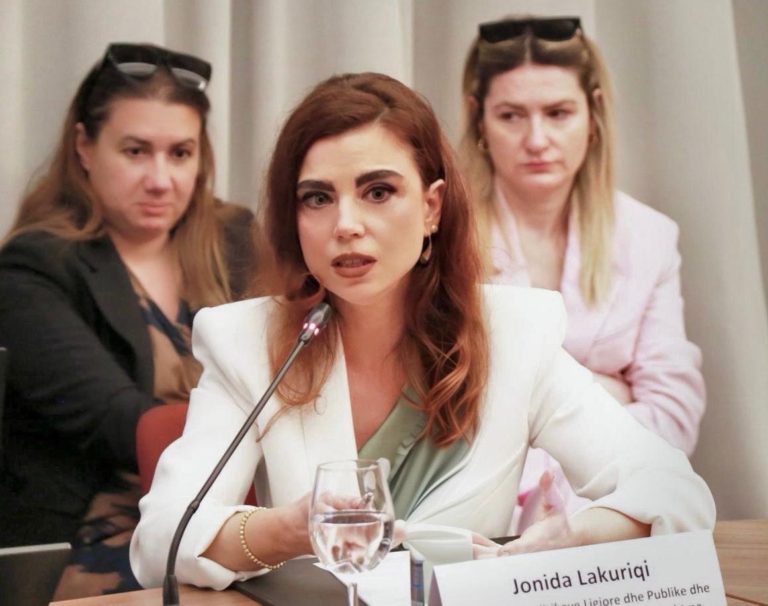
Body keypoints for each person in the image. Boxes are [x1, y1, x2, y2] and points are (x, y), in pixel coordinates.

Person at [130, 72, 714, 590]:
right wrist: (287, 530)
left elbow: (676, 492)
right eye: (318, 198)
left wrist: (571, 541)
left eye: (378, 192)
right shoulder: (247, 341)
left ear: (432, 207)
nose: (347, 225)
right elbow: (159, 543)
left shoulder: (514, 333)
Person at [0, 43, 254, 596]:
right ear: (84, 147)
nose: (161, 179)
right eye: (136, 151)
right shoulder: (33, 267)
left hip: (230, 518)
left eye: (180, 153)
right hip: (102, 534)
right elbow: (119, 424)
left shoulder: (237, 240)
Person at [458, 16, 706, 527]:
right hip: (480, 524)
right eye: (511, 115)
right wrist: (604, 392)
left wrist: (538, 427)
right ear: (477, 118)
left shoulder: (649, 237)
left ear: (593, 114)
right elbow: (442, 421)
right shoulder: (442, 240)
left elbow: (674, 414)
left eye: (558, 113)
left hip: (611, 518)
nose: (537, 139)